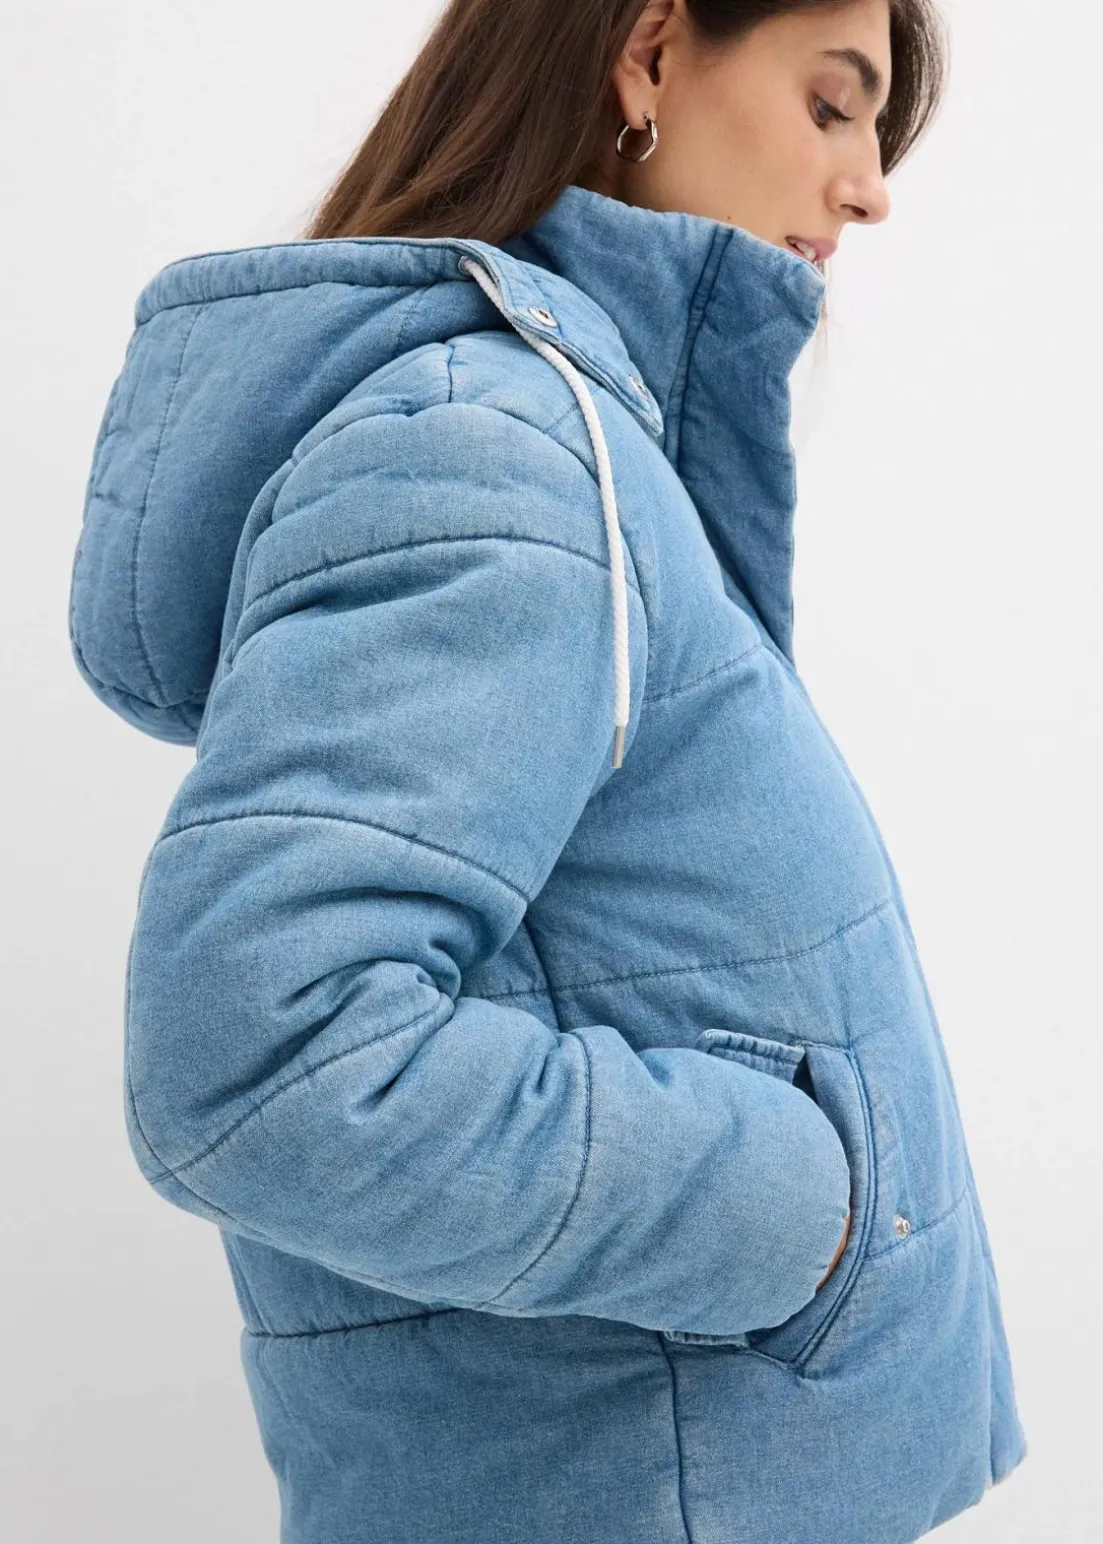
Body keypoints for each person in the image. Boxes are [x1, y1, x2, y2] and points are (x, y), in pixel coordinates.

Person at [67, 1, 1029, 1539]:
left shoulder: (579, 443)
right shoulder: (486, 453)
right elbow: (255, 1063)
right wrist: (801, 1205)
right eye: (830, 104)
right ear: (647, 55)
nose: (867, 189)